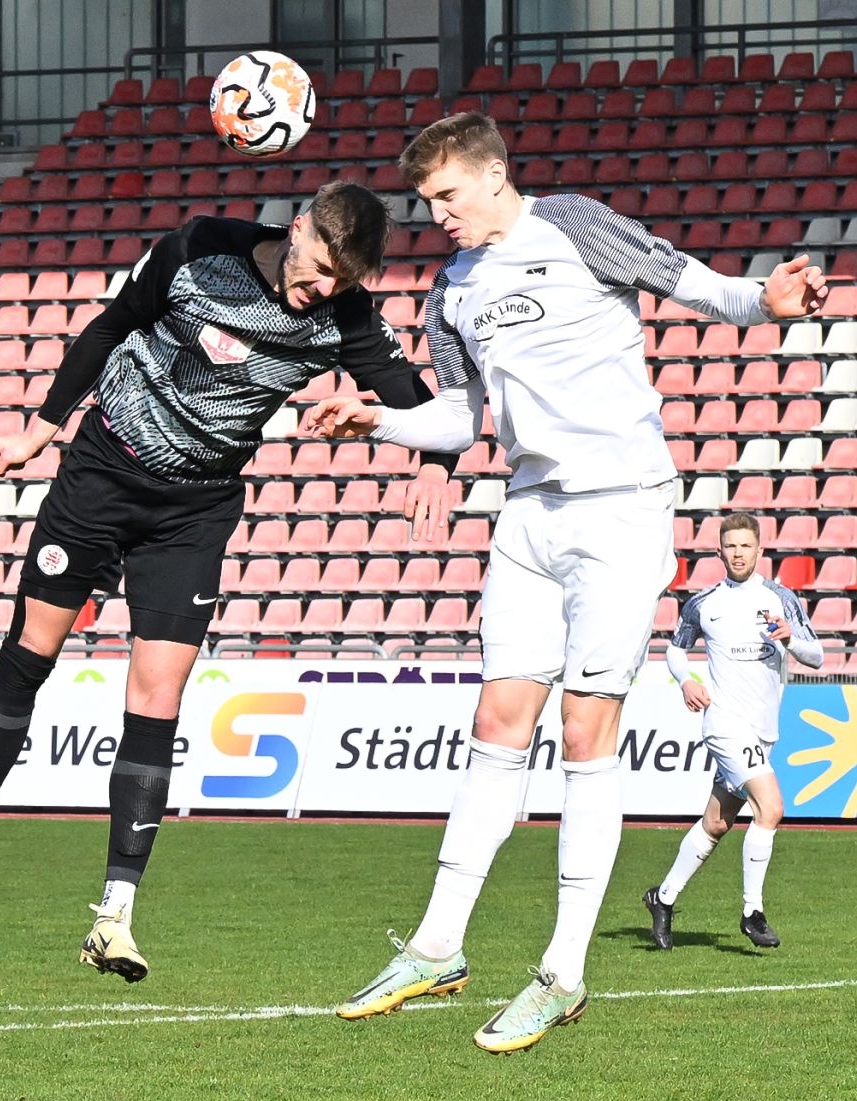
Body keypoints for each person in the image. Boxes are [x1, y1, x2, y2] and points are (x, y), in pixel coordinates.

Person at [306, 113, 826, 1053]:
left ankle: (564, 970)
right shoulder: (451, 291)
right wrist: (375, 421)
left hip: (621, 510)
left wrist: (768, 301)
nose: (439, 217)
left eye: (447, 196)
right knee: (498, 720)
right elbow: (459, 418)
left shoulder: (574, 224)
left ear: (493, 174)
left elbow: (698, 287)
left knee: (587, 729)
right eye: (427, 203)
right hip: (529, 513)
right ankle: (436, 946)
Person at [0, 183, 452, 981]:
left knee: (158, 694)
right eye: (320, 267)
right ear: (298, 228)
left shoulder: (348, 317)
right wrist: (37, 432)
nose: (324, 287)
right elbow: (110, 327)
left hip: (194, 509)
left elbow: (419, 403)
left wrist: (435, 464)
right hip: (103, 471)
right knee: (32, 651)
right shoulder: (199, 248)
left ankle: (115, 915)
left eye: (344, 279)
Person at [643, 513, 822, 951]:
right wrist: (686, 681)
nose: (738, 553)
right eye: (731, 546)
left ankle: (662, 897)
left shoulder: (781, 599)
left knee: (717, 823)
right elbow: (676, 650)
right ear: (719, 551)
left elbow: (816, 655)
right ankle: (752, 912)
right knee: (771, 807)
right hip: (725, 723)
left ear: (759, 549)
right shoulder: (704, 603)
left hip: (763, 729)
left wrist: (790, 641)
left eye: (745, 545)